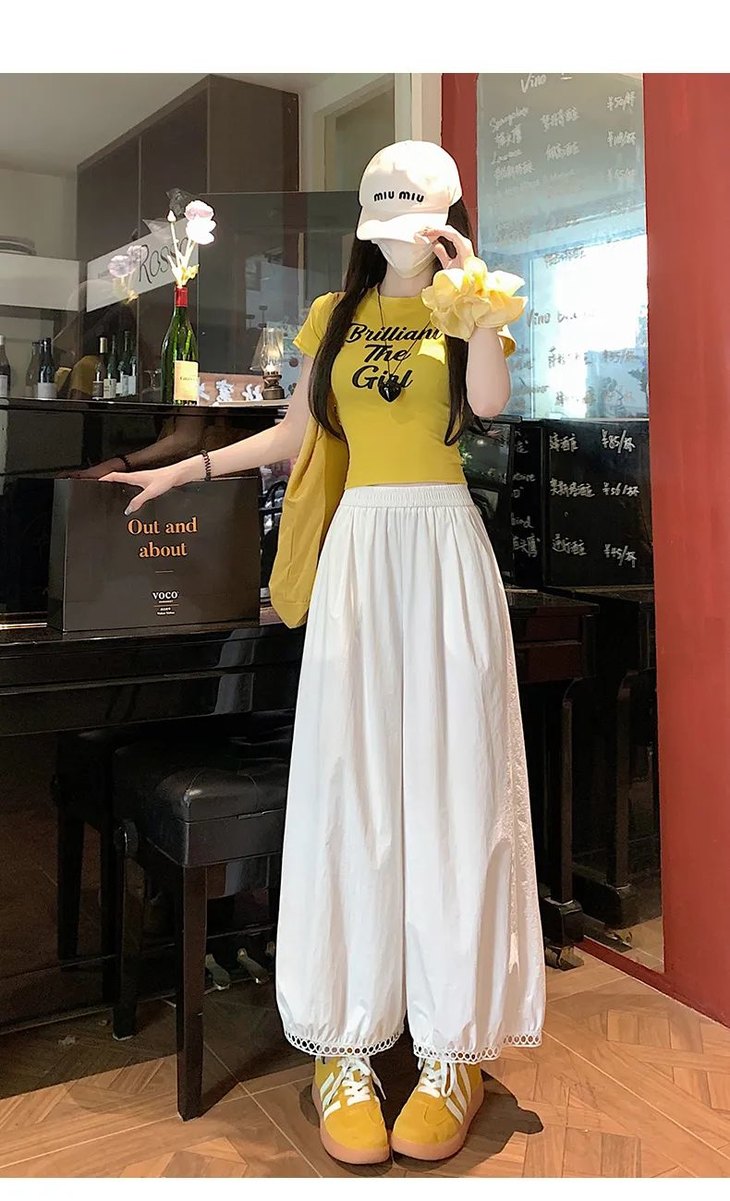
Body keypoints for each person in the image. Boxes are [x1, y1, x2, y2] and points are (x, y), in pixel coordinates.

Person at [101, 141, 546, 1166]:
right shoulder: (334, 315)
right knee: (349, 787)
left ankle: (453, 1049)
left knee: (457, 788)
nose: (396, 233)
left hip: (443, 548)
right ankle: (343, 1041)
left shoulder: (470, 306)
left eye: (415, 216)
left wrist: (472, 292)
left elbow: (485, 405)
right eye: (383, 216)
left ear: (446, 216)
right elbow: (296, 434)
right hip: (358, 555)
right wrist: (187, 470)